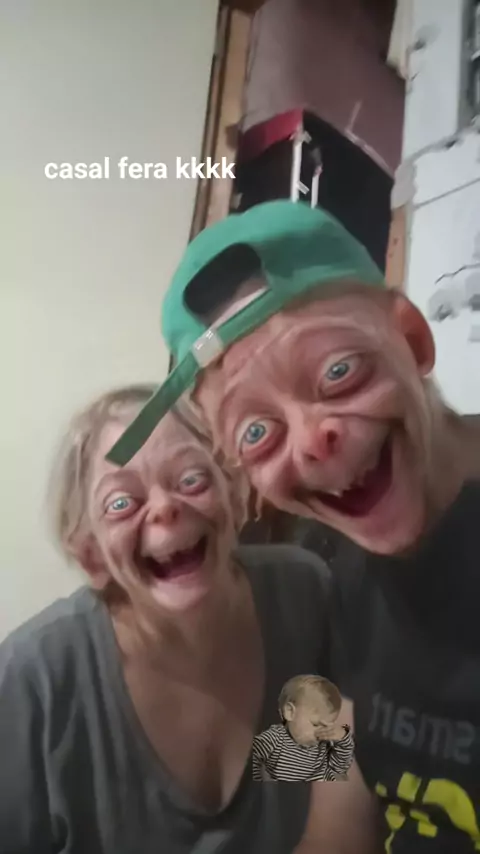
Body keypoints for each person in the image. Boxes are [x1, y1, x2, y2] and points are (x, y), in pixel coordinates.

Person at [107, 200, 480, 854]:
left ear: (412, 340)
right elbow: (339, 805)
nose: (312, 441)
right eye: (257, 432)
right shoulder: (337, 572)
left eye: (339, 373)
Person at [0, 384, 338, 854]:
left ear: (234, 494)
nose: (164, 508)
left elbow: (338, 795)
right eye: (121, 504)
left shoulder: (303, 594)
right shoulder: (32, 679)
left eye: (191, 479)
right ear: (92, 556)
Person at [252, 674, 354, 782]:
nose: (321, 732)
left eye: (327, 726)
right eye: (315, 724)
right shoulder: (274, 740)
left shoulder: (324, 745)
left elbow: (340, 768)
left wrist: (342, 738)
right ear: (290, 712)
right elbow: (252, 762)